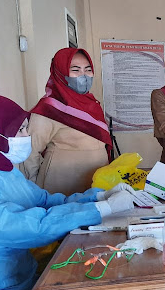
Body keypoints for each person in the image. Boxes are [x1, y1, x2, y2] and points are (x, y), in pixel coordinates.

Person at [0, 94, 135, 290]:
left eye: (26, 127)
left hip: (23, 277)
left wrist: (98, 197)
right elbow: (33, 227)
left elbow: (45, 202)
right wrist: (101, 209)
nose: (27, 135)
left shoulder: (4, 171)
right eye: (20, 130)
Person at [23, 48, 112, 196]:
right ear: (60, 72)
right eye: (75, 70)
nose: (83, 75)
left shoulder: (92, 104)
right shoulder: (50, 108)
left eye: (88, 70)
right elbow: (30, 151)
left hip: (96, 182)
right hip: (61, 187)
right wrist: (34, 189)